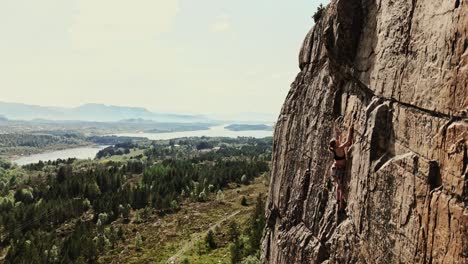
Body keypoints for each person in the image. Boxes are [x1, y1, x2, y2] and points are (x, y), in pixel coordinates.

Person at [329, 124, 353, 213]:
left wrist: (337, 133)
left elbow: (337, 139)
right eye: (336, 141)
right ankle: (341, 206)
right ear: (336, 144)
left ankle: (338, 200)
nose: (338, 141)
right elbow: (348, 142)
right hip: (339, 170)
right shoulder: (339, 148)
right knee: (341, 187)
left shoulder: (335, 149)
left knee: (337, 186)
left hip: (335, 169)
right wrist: (350, 130)